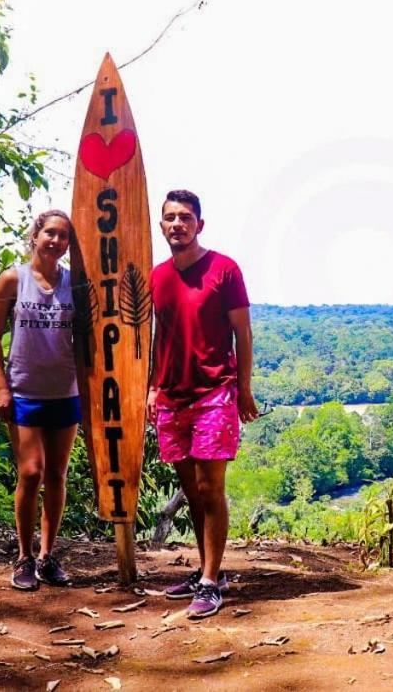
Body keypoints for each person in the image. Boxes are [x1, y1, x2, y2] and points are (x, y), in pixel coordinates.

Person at [147, 189, 257, 619]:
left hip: (215, 391)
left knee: (211, 488)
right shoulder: (158, 277)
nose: (177, 224)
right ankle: (205, 569)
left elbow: (242, 333)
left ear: (199, 224)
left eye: (185, 217)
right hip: (172, 395)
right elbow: (159, 336)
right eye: (170, 217)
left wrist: (243, 388)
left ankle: (211, 581)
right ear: (162, 226)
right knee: (192, 490)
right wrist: (154, 388)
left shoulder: (224, 270)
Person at [0, 210, 81, 591]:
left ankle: (47, 556)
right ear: (35, 235)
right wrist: (0, 386)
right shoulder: (14, 279)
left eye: (63, 236)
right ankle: (24, 555)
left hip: (66, 391)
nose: (56, 241)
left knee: (57, 475)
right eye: (50, 233)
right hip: (24, 391)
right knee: (30, 472)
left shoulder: (74, 284)